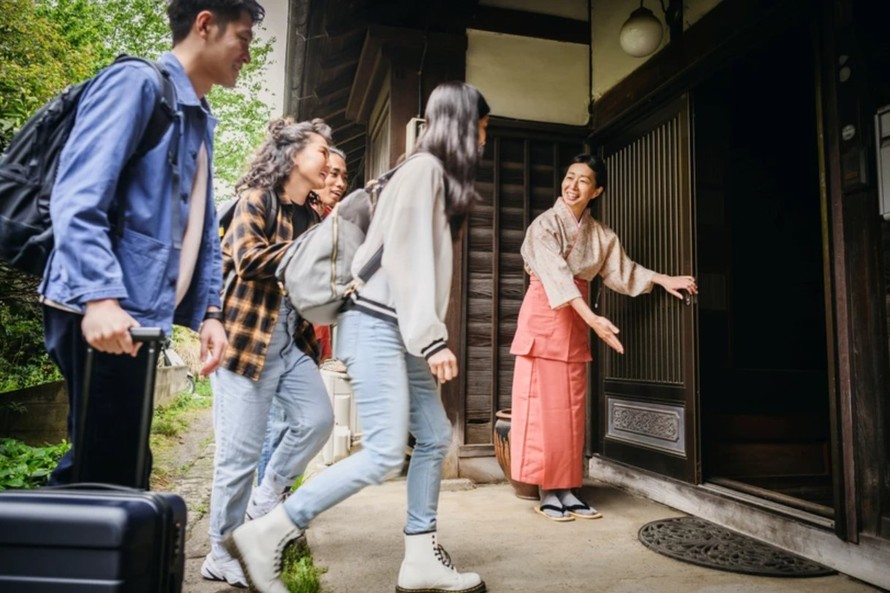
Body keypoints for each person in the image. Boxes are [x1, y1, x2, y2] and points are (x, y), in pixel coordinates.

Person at [225, 81, 491, 593]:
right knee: (385, 453)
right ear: (460, 124)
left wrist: (422, 334)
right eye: (480, 126)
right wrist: (433, 338)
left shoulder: (424, 175)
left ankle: (419, 559)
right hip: (377, 323)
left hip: (396, 327)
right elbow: (407, 259)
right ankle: (269, 532)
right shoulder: (424, 171)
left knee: (434, 436)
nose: (483, 137)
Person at [39, 0, 266, 489]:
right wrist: (99, 298)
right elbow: (77, 197)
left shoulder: (198, 117)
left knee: (118, 468)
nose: (248, 53)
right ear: (205, 24)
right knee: (104, 475)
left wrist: (210, 312)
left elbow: (203, 232)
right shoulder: (137, 85)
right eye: (243, 38)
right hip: (99, 313)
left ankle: (92, 557)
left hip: (135, 318)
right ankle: (56, 557)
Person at [509, 153, 698, 522]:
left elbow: (622, 270)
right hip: (546, 317)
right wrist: (593, 318)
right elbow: (558, 279)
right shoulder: (544, 225)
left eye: (583, 180)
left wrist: (663, 279)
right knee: (545, 409)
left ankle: (568, 487)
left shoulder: (600, 235)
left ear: (596, 191)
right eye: (569, 176)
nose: (572, 185)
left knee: (571, 410)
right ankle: (549, 490)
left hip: (578, 323)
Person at [201, 117, 336, 587]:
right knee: (236, 457)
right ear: (295, 156)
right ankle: (220, 550)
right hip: (245, 340)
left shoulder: (314, 216)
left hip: (290, 341)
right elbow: (248, 259)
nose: (327, 160)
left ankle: (266, 497)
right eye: (321, 151)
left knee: (318, 418)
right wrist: (310, 249)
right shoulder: (256, 200)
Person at [255, 146, 349, 486]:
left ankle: (271, 501)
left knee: (306, 421)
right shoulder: (293, 216)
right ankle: (263, 511)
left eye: (342, 176)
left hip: (307, 338)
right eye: (331, 173)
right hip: (273, 335)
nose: (338, 182)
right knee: (278, 424)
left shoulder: (323, 221)